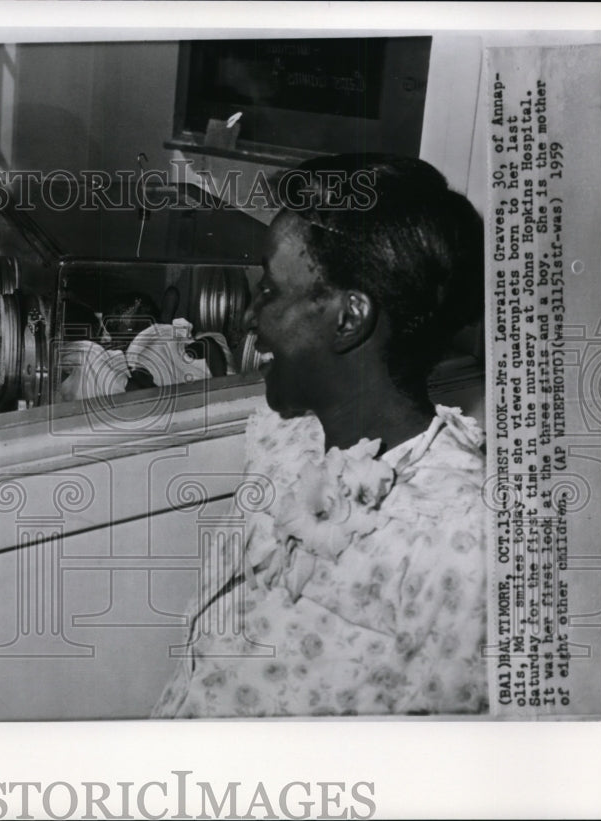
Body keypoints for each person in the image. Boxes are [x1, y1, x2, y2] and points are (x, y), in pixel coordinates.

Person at [153, 154, 487, 717]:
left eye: (270, 290)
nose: (248, 317)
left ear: (348, 318)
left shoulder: (460, 541)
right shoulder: (282, 440)